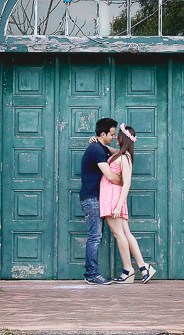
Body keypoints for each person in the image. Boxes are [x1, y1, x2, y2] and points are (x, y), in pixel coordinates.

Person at [99, 125, 154, 284]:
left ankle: (129, 269)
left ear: (123, 138)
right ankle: (143, 267)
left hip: (113, 199)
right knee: (126, 234)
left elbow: (127, 183)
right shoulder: (121, 154)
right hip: (113, 197)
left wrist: (117, 206)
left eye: (118, 135)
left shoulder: (124, 157)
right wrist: (99, 142)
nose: (115, 137)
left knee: (119, 234)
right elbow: (110, 149)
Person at [80, 117, 121, 284]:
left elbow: (119, 152)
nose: (113, 137)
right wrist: (124, 182)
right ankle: (91, 275)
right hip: (91, 199)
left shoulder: (100, 147)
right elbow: (110, 176)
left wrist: (121, 143)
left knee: (95, 236)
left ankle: (92, 273)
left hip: (96, 199)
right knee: (94, 237)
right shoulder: (96, 149)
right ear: (103, 133)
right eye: (111, 134)